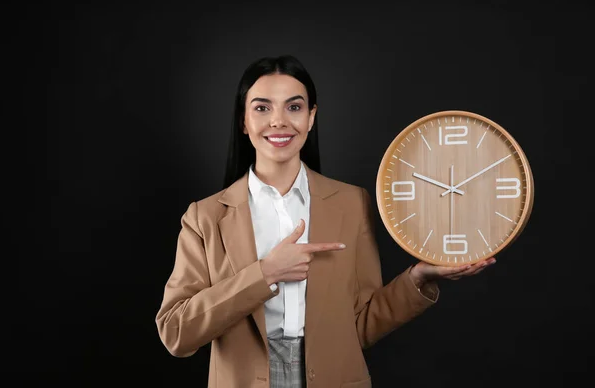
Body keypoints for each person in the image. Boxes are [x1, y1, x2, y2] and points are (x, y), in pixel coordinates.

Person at [154, 54, 495, 388]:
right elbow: (175, 332)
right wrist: (266, 272)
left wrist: (418, 278)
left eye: (294, 106)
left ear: (311, 117)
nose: (279, 121)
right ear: (243, 121)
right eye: (261, 108)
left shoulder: (352, 203)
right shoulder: (206, 216)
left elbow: (362, 326)